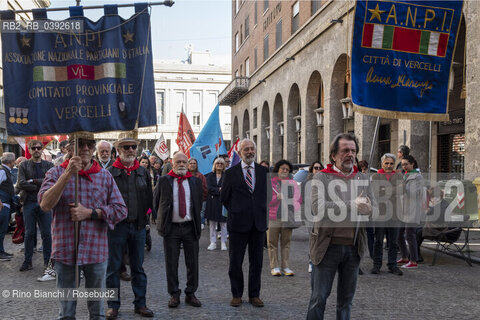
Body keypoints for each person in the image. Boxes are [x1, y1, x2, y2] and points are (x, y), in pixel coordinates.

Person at [38, 134, 127, 319]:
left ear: (93, 148)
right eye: (80, 144)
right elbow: (45, 204)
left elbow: (120, 210)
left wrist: (91, 213)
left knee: (97, 311)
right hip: (65, 251)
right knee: (66, 311)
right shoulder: (54, 173)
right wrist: (67, 174)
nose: (85, 148)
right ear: (69, 149)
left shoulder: (104, 176)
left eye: (89, 144)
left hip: (96, 252)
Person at [307, 133, 375, 320]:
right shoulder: (321, 178)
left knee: (346, 301)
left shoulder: (363, 178)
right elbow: (318, 208)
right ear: (334, 155)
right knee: (318, 298)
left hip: (353, 248)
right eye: (345, 150)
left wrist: (369, 209)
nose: (350, 154)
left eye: (353, 151)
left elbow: (375, 210)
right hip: (326, 247)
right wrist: (351, 205)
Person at [106, 138, 154, 319]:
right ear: (118, 150)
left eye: (134, 147)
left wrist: (147, 217)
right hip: (116, 228)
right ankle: (113, 306)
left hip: (138, 226)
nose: (131, 150)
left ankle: (140, 304)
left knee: (138, 268)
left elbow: (149, 199)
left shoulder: (142, 172)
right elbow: (104, 200)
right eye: (126, 147)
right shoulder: (109, 173)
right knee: (113, 269)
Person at [221, 139, 268, 308]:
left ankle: (254, 295)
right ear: (240, 153)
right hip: (238, 225)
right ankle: (237, 294)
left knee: (257, 262)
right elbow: (224, 197)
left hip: (258, 225)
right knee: (235, 261)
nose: (249, 152)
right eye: (246, 149)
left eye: (252, 149)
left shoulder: (263, 171)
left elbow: (266, 196)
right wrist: (237, 210)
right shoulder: (231, 173)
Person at [154, 152, 203, 308]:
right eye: (178, 162)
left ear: (188, 164)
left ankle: (191, 293)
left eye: (184, 162)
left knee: (193, 263)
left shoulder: (194, 181)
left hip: (190, 227)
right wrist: (161, 221)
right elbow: (155, 203)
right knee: (171, 263)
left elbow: (198, 204)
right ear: (172, 163)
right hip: (171, 229)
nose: (181, 164)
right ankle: (174, 294)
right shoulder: (163, 180)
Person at [17, 139, 54, 273]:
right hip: (29, 202)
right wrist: (40, 185)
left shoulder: (49, 165)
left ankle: (48, 262)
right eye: (34, 148)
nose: (37, 150)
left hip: (45, 202)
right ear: (30, 150)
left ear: (42, 149)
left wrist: (32, 181)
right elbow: (21, 183)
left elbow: (50, 182)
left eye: (39, 148)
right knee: (29, 234)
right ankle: (27, 261)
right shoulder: (23, 165)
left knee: (46, 234)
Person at [370, 153, 403, 276]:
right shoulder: (376, 176)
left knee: (393, 242)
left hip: (395, 213)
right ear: (382, 163)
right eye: (386, 163)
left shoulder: (399, 175)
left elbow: (402, 190)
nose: (389, 166)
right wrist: (393, 189)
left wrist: (386, 189)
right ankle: (376, 265)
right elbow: (377, 193)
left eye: (391, 163)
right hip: (381, 213)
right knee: (378, 241)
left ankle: (392, 265)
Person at [267, 159, 301, 276]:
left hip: (288, 217)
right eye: (283, 169)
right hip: (273, 217)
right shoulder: (271, 182)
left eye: (287, 169)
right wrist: (277, 198)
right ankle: (274, 266)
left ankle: (285, 266)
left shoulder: (293, 183)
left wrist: (291, 202)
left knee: (286, 243)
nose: (285, 171)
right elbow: (266, 200)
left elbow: (298, 200)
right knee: (272, 243)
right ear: (278, 170)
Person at [397, 154, 424, 269]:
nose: (404, 167)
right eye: (403, 165)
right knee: (399, 234)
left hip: (412, 209)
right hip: (403, 209)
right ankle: (405, 257)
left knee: (410, 235)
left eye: (406, 164)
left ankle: (413, 260)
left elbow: (414, 193)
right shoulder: (406, 175)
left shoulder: (418, 177)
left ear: (412, 164)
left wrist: (403, 186)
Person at [205, 157, 228, 250]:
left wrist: (221, 190)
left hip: (223, 202)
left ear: (224, 166)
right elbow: (208, 188)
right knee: (212, 223)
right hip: (212, 202)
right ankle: (212, 242)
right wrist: (219, 190)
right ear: (214, 165)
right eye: (218, 163)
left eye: (221, 164)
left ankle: (223, 242)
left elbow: (227, 188)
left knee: (223, 223)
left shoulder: (227, 176)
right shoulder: (209, 176)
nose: (219, 165)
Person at [0, 152, 16, 261]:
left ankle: (1, 251)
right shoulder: (2, 171)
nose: (14, 162)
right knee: (1, 230)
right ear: (10, 162)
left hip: (5, 204)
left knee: (2, 230)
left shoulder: (5, 170)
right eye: (14, 160)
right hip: (2, 205)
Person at [187, 158, 208, 229]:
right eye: (191, 163)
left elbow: (205, 188)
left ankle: (200, 224)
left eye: (194, 163)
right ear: (188, 165)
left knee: (200, 214)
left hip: (200, 199)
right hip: (188, 199)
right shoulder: (184, 175)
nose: (192, 165)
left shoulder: (200, 176)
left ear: (196, 165)